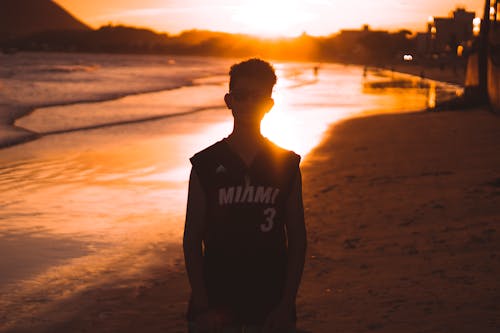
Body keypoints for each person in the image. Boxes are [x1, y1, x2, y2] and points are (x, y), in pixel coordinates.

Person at [183, 58, 307, 333]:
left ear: (269, 104)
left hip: (270, 303)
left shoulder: (286, 165)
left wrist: (287, 304)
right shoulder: (205, 164)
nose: (249, 104)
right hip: (215, 302)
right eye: (241, 96)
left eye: (258, 96)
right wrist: (203, 305)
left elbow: (297, 239)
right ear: (229, 100)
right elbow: (192, 238)